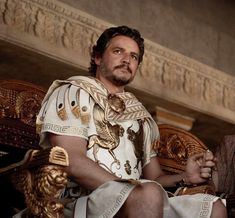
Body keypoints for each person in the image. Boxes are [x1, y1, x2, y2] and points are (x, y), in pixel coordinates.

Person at [36, 25, 227, 218]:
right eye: (118, 51)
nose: (127, 59)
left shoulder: (142, 117)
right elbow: (72, 160)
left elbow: (154, 178)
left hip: (138, 196)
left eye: (134, 56)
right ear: (97, 57)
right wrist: (131, 191)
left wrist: (186, 177)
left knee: (214, 206)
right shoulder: (73, 91)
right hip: (82, 200)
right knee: (148, 194)